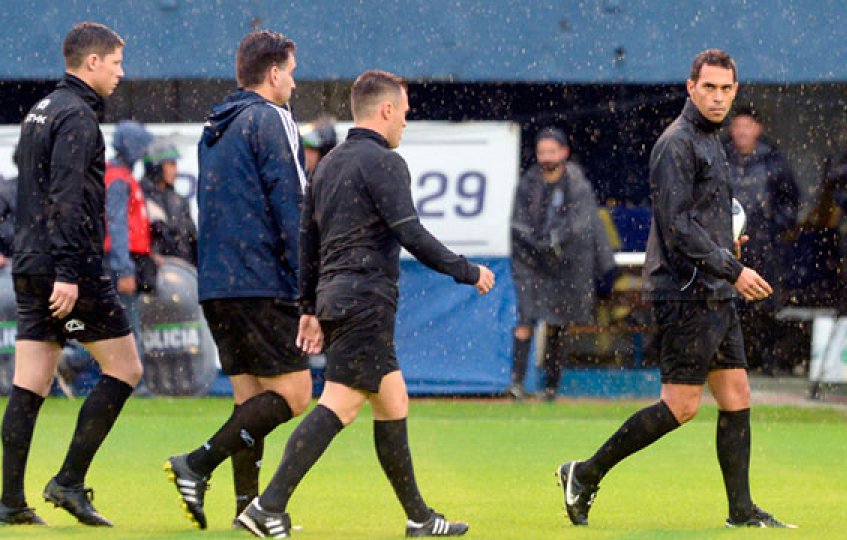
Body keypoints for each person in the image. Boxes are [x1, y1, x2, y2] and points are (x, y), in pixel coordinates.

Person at [237, 70, 495, 538]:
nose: (407, 122)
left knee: (392, 400)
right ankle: (267, 506)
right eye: (406, 112)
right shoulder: (385, 163)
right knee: (338, 404)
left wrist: (310, 306)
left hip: (339, 300)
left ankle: (419, 518)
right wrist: (467, 270)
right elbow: (410, 232)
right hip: (365, 302)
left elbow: (306, 242)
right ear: (386, 110)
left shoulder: (328, 165)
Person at [556, 50, 794, 529]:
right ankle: (583, 472)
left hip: (713, 289)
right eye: (710, 87)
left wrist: (729, 245)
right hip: (686, 292)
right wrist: (732, 268)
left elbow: (702, 218)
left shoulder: (711, 141)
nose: (719, 97)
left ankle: (741, 511)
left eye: (727, 89)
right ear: (691, 88)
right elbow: (677, 226)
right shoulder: (676, 143)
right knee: (681, 406)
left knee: (736, 395)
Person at [163, 30, 313, 529]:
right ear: (273, 73)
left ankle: (247, 510)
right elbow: (291, 205)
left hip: (217, 282)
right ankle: (197, 463)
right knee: (294, 394)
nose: (293, 80)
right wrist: (307, 283)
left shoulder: (216, 124)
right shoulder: (273, 119)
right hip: (261, 280)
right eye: (290, 70)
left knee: (250, 400)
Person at [0, 22, 142, 527]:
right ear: (91, 63)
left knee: (30, 383)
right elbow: (65, 196)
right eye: (117, 62)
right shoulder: (78, 116)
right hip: (68, 268)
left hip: (29, 263)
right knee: (126, 368)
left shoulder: (39, 111)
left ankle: (10, 501)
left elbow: (31, 191)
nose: (121, 73)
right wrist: (67, 270)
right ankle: (68, 482)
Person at [508, 127, 614, 400]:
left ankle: (551, 387)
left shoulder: (577, 184)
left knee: (558, 323)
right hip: (531, 263)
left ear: (564, 152)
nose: (546, 157)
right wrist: (537, 245)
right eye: (542, 152)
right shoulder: (527, 183)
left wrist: (556, 244)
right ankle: (516, 384)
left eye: (552, 151)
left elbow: (580, 226)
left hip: (565, 265)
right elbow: (518, 225)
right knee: (526, 320)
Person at [723, 108, 799, 375]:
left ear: (758, 129)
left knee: (765, 302)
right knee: (729, 302)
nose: (743, 131)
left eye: (748, 126)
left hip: (766, 246)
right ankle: (734, 360)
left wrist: (772, 227)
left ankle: (767, 359)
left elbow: (791, 202)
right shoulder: (721, 159)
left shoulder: (773, 162)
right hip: (726, 247)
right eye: (738, 126)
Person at [104, 120, 155, 353]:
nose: (145, 152)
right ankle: (73, 361)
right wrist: (124, 270)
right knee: (126, 327)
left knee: (117, 327)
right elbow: (117, 225)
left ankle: (74, 361)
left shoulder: (120, 175)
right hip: (119, 262)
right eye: (142, 146)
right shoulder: (117, 178)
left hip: (120, 260)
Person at [141, 137, 198, 266]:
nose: (176, 171)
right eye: (171, 164)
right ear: (157, 167)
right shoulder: (140, 198)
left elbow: (193, 241)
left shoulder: (179, 201)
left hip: (184, 275)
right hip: (154, 277)